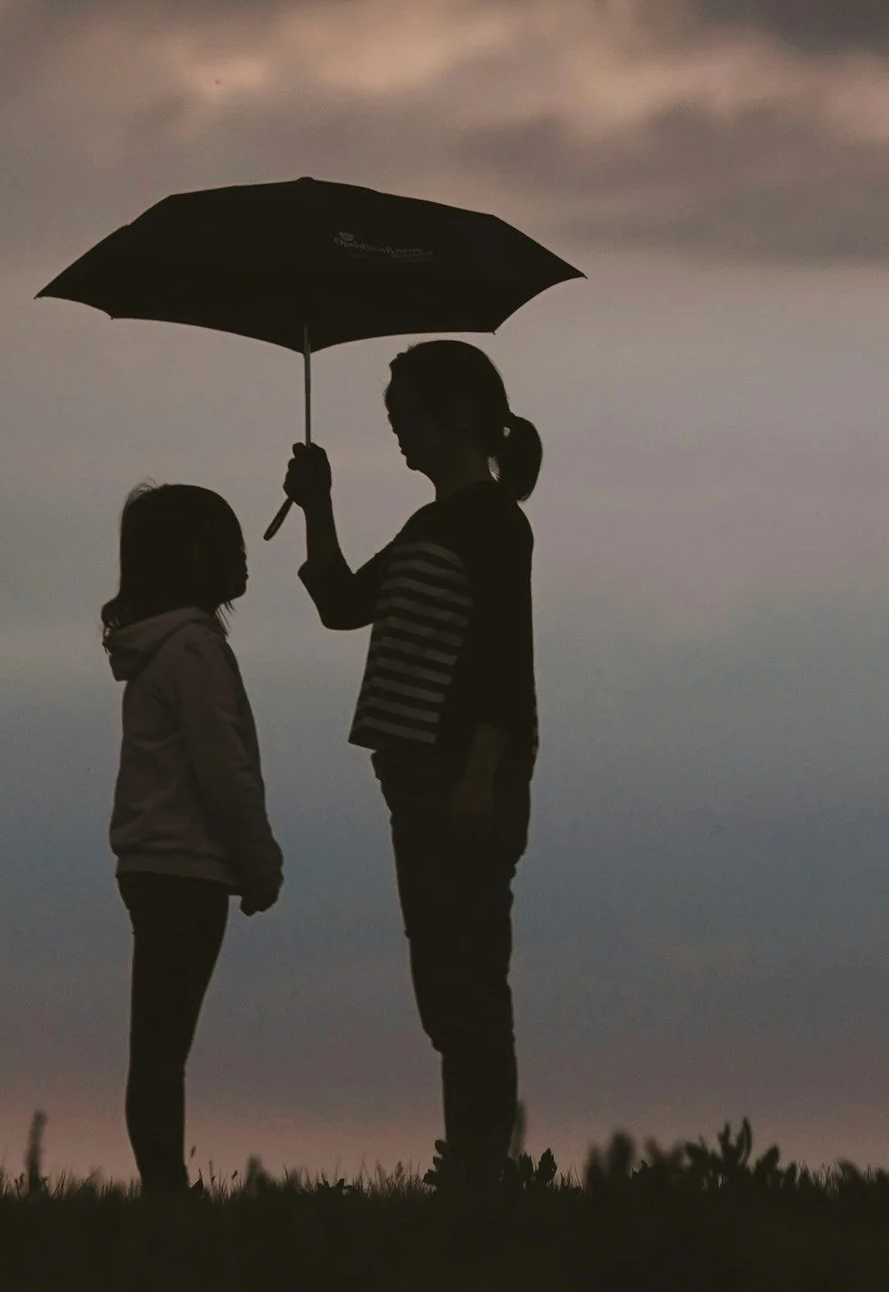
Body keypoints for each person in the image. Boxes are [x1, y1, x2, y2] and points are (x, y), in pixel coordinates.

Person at [281, 340, 540, 1194]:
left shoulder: (495, 524)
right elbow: (341, 604)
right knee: (445, 984)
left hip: (460, 780)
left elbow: (505, 660)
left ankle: (480, 1172)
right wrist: (317, 504)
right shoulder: (432, 527)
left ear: (457, 417)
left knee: (466, 984)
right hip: (418, 783)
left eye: (406, 415)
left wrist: (479, 774)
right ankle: (472, 1165)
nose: (396, 430)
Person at [103, 482, 283, 1195]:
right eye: (226, 543)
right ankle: (165, 1190)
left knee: (157, 1040)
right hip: (186, 869)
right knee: (162, 1046)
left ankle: (162, 1185)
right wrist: (259, 862)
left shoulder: (159, 652)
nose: (242, 557)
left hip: (153, 864)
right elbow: (224, 770)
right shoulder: (194, 653)